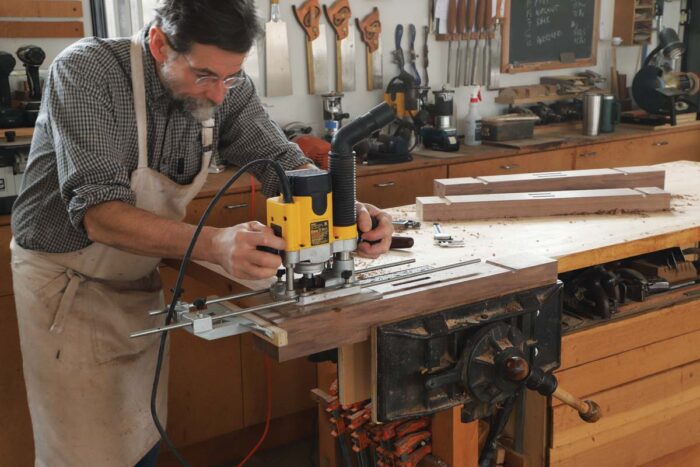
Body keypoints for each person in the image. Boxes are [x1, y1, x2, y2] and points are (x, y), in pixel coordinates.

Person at [9, 1, 393, 465]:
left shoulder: (225, 85)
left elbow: (282, 162)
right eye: (205, 76)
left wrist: (345, 213)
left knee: (139, 435)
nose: (218, 95)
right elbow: (100, 213)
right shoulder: (88, 71)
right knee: (86, 454)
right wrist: (213, 242)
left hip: (137, 282)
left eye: (230, 77)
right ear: (159, 44)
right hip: (65, 290)